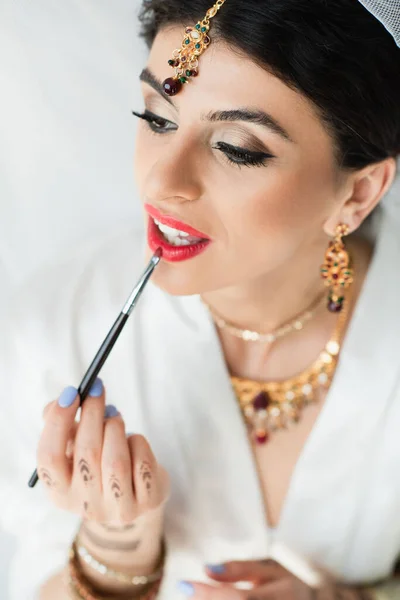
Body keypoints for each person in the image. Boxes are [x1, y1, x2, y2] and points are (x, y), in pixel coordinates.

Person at [1, 0, 400, 598]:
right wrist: (114, 558)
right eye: (157, 117)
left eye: (237, 147)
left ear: (359, 192)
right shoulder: (49, 331)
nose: (162, 183)